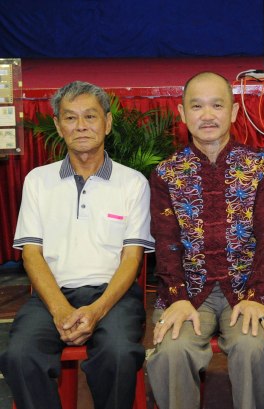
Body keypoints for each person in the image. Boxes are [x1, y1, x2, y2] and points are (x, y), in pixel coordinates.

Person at [0, 81, 155, 409]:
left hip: (113, 296)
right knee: (19, 355)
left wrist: (96, 311)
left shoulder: (132, 183)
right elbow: (31, 255)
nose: (81, 126)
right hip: (52, 296)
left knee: (118, 353)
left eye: (90, 116)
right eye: (70, 118)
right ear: (58, 126)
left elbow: (132, 258)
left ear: (107, 123)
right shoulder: (38, 181)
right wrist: (60, 310)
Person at [147, 71, 264, 409]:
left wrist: (256, 296)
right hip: (189, 292)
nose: (207, 115)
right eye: (197, 106)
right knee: (173, 349)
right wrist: (177, 297)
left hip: (249, 288)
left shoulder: (259, 167)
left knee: (251, 347)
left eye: (217, 105)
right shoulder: (167, 173)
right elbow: (166, 242)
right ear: (182, 113)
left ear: (234, 112)